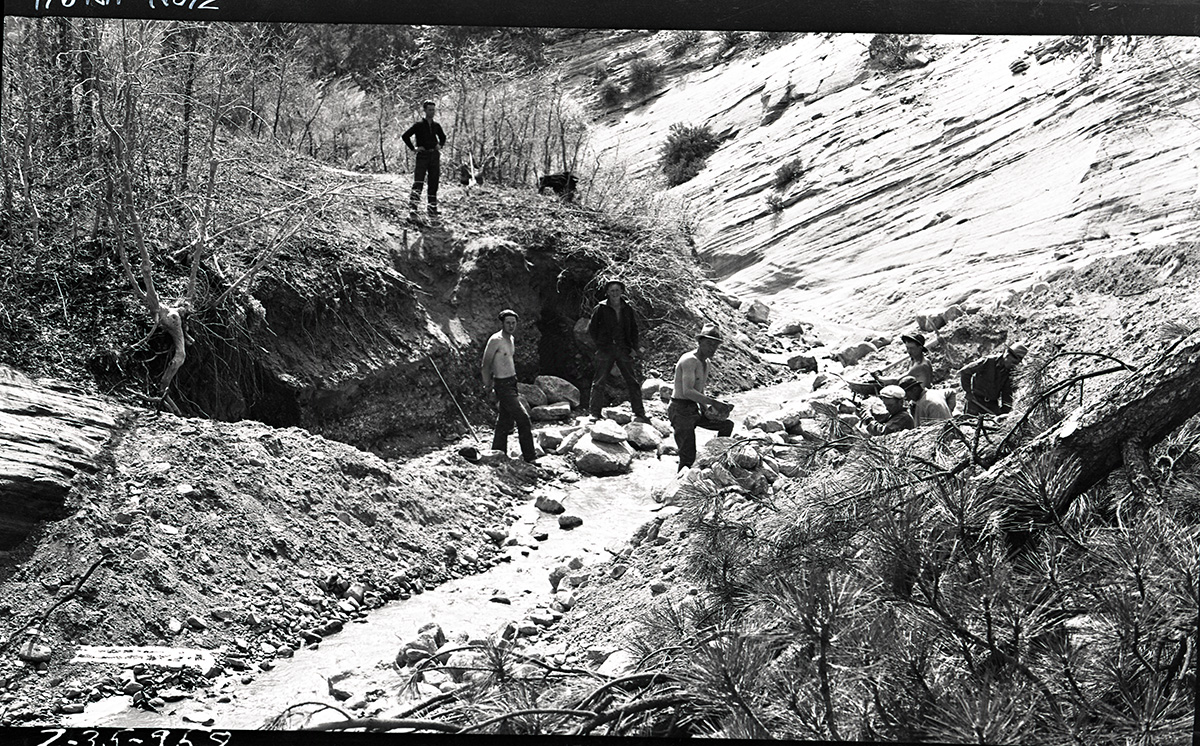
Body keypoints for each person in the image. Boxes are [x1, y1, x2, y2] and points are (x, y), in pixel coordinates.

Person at [668, 324, 734, 471]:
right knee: (688, 456)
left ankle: (716, 459)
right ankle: (679, 489)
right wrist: (713, 402)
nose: (712, 348)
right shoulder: (689, 360)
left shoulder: (706, 363)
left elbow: (700, 390)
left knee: (726, 425)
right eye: (709, 343)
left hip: (693, 409)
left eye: (715, 345)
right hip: (680, 410)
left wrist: (708, 410)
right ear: (700, 342)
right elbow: (687, 392)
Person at [587, 280, 648, 423]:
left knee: (632, 381)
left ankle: (639, 412)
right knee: (599, 381)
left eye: (617, 290)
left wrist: (634, 348)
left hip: (623, 349)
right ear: (607, 292)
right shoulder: (600, 308)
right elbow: (592, 329)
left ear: (622, 292)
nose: (615, 293)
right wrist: (600, 344)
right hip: (606, 349)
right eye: (612, 290)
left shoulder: (627, 308)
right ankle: (594, 413)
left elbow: (634, 329)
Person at [481, 309, 536, 463]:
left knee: (504, 419)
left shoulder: (511, 338)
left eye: (513, 323)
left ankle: (497, 452)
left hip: (512, 382)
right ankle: (530, 457)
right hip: (502, 384)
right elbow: (485, 365)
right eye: (508, 323)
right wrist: (488, 386)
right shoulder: (495, 340)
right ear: (502, 323)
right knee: (523, 419)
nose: (511, 326)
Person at [402, 100, 447, 218]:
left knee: (433, 182)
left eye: (433, 110)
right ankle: (413, 208)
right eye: (430, 110)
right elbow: (405, 136)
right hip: (422, 156)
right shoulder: (418, 125)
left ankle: (432, 208)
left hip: (434, 156)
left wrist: (440, 145)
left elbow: (443, 137)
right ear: (425, 110)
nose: (432, 112)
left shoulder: (436, 125)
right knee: (418, 182)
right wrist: (414, 148)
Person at [959, 341, 1028, 416]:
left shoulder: (1010, 373)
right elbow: (965, 372)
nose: (1014, 366)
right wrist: (968, 392)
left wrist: (1004, 413)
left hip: (992, 405)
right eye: (1013, 362)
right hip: (975, 402)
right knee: (970, 425)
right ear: (1007, 355)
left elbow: (1007, 394)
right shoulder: (988, 361)